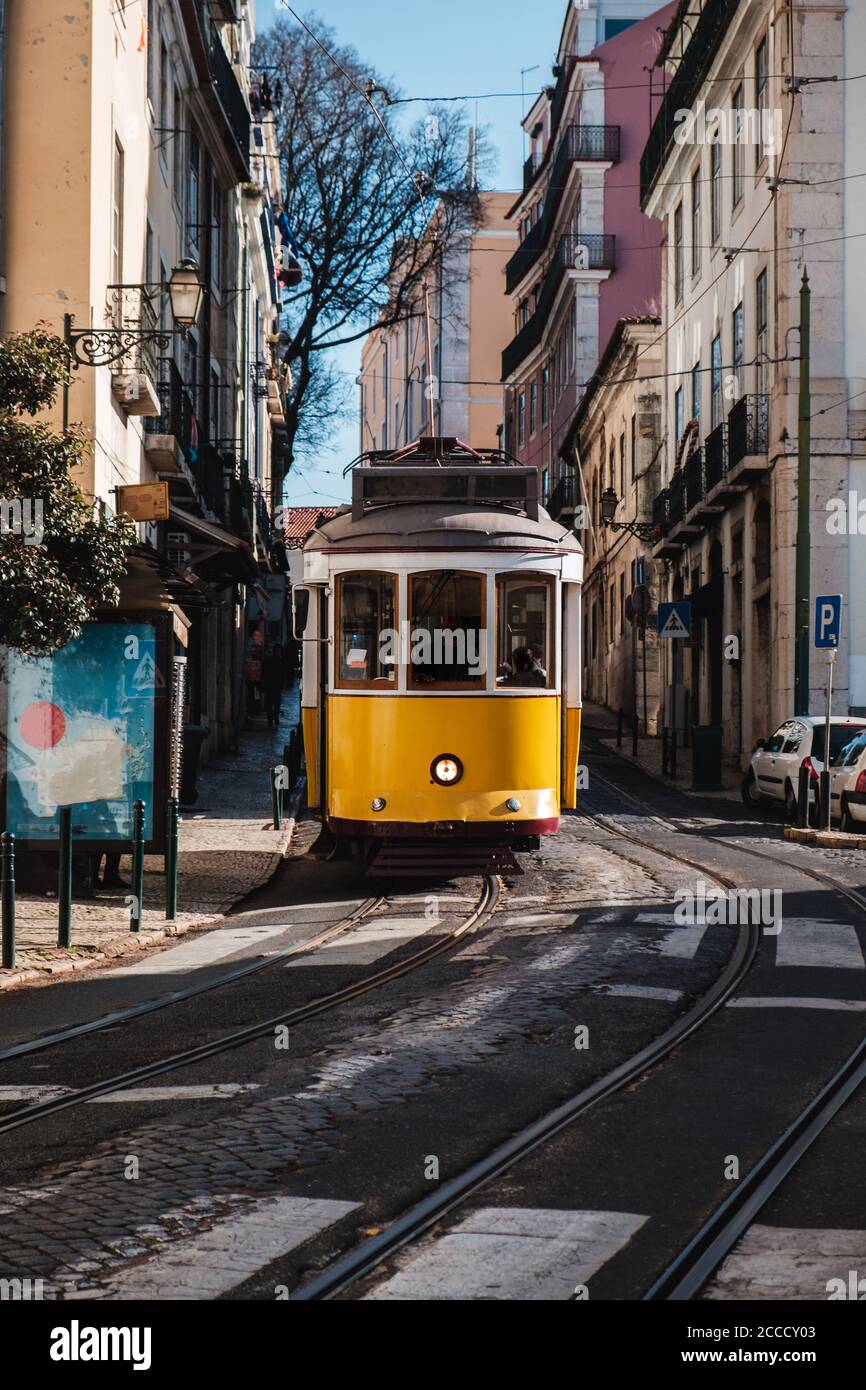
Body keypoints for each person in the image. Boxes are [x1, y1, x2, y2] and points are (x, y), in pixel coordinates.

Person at [262, 642, 285, 727]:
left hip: (273, 685)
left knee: (273, 703)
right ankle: (273, 717)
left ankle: (272, 718)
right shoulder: (279, 661)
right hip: (273, 685)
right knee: (274, 703)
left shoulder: (277, 661)